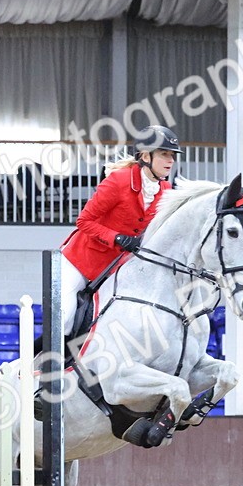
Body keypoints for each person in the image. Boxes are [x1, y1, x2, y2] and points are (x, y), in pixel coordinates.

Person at [58, 125, 181, 335]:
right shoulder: (119, 181)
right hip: (82, 262)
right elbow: (84, 221)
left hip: (116, 270)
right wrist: (117, 237)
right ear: (145, 156)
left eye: (172, 155)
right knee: (65, 317)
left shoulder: (166, 190)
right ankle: (52, 362)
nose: (171, 160)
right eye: (164, 154)